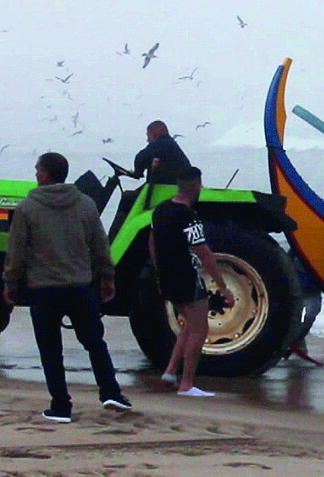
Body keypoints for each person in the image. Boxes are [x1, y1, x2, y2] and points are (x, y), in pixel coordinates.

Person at [2, 152, 132, 422]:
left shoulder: (27, 207)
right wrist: (108, 278)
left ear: (47, 174)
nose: (36, 174)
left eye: (38, 169)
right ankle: (111, 392)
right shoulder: (85, 204)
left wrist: (10, 284)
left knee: (50, 350)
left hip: (43, 290)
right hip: (79, 287)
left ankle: (61, 406)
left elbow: (16, 252)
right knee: (95, 342)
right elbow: (100, 246)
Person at [148, 166, 234, 397]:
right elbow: (204, 252)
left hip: (167, 277)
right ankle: (186, 384)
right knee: (199, 330)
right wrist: (223, 287)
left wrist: (159, 271)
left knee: (187, 325)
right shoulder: (189, 216)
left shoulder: (160, 210)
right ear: (196, 186)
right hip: (187, 277)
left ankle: (170, 371)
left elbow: (152, 242)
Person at [110, 120, 191, 239]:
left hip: (165, 192)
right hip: (169, 188)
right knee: (133, 195)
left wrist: (138, 171)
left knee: (127, 199)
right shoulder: (169, 146)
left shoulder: (162, 143)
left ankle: (114, 239)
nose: (147, 140)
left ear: (155, 135)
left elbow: (141, 157)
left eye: (148, 136)